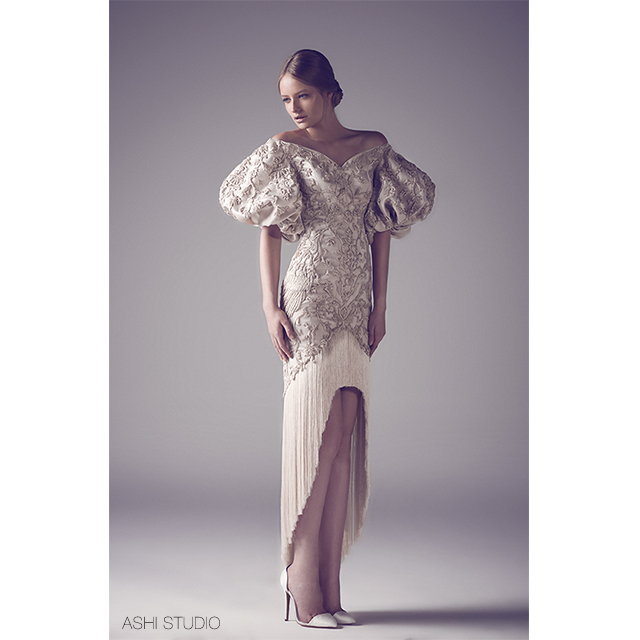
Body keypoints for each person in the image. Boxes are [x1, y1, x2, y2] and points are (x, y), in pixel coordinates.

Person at [219, 49, 435, 628]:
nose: (295, 108)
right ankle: (300, 581)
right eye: (286, 99)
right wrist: (270, 306)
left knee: (341, 438)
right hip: (309, 297)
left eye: (304, 96)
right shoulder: (286, 149)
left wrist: (381, 304)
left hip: (355, 298)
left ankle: (331, 591)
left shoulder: (373, 147)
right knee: (315, 438)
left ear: (332, 93)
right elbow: (269, 230)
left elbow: (382, 228)